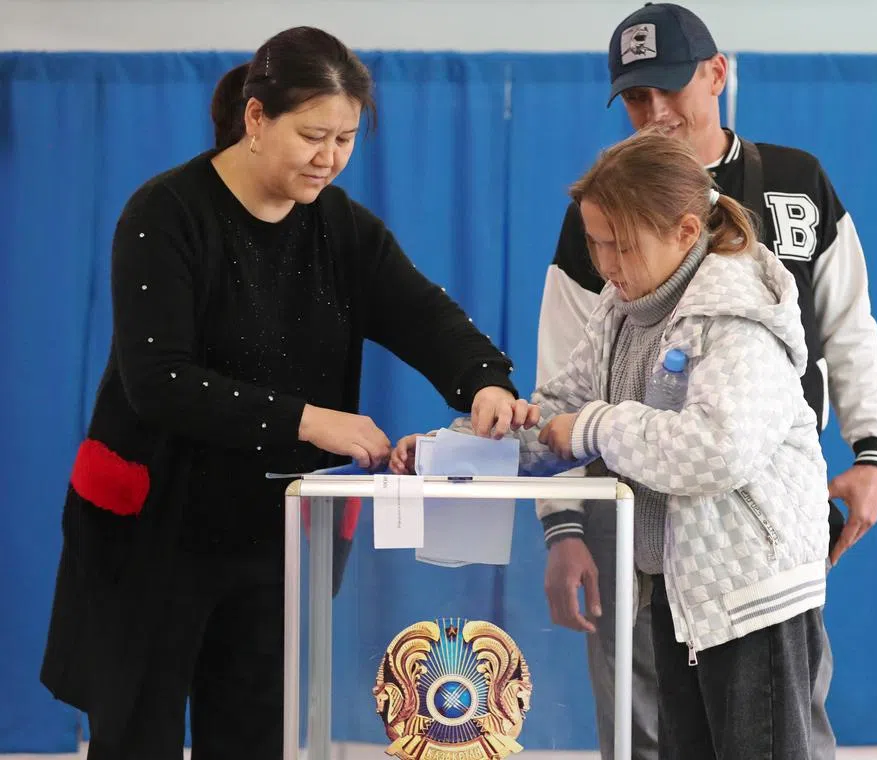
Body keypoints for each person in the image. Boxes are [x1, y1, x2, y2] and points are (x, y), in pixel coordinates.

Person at [38, 26, 535, 760]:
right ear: (256, 119)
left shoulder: (342, 229)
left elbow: (424, 314)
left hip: (274, 534)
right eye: (312, 135)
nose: (329, 158)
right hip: (154, 529)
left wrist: (486, 379)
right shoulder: (166, 214)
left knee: (252, 736)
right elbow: (158, 381)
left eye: (345, 138)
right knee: (134, 734)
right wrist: (312, 421)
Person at [533, 3, 877, 759]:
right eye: (637, 97)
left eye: (672, 87)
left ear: (717, 74)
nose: (657, 110)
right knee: (654, 726)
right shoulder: (600, 211)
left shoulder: (793, 193)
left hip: (752, 527)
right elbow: (564, 377)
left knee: (781, 712)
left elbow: (850, 327)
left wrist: (873, 449)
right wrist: (557, 514)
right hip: (640, 519)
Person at [393, 127, 832, 759]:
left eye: (620, 246)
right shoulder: (621, 306)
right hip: (680, 597)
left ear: (685, 231)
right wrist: (448, 449)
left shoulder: (739, 318)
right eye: (595, 244)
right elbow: (560, 413)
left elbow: (716, 449)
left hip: (751, 600)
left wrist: (596, 427)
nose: (605, 265)